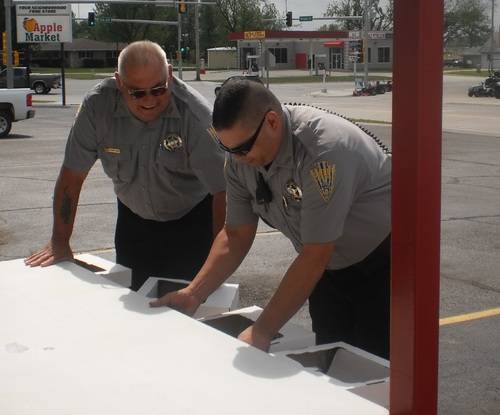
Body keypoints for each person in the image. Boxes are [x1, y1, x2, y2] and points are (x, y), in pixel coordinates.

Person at [151, 77, 391, 359]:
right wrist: (194, 293)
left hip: (384, 265)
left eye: (242, 148)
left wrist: (262, 330)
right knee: (332, 358)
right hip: (327, 269)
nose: (236, 159)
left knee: (374, 367)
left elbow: (316, 253)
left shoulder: (323, 152)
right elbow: (235, 235)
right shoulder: (241, 159)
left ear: (273, 122)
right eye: (227, 149)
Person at [25, 41, 226, 291]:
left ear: (170, 74)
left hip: (192, 222)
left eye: (158, 89)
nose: (150, 100)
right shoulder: (97, 108)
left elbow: (223, 192)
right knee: (132, 300)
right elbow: (72, 177)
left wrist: (215, 268)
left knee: (188, 309)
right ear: (119, 82)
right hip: (134, 222)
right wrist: (59, 241)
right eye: (137, 92)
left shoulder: (196, 116)